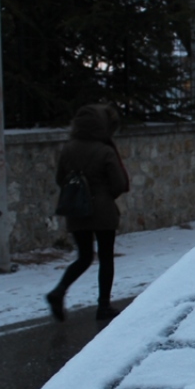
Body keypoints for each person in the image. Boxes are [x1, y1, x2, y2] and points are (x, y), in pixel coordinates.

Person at [46, 104, 130, 322]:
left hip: (76, 209)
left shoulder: (69, 148)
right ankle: (103, 306)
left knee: (83, 257)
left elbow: (60, 179)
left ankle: (59, 291)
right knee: (106, 258)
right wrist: (104, 195)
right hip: (102, 211)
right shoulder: (105, 150)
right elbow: (119, 183)